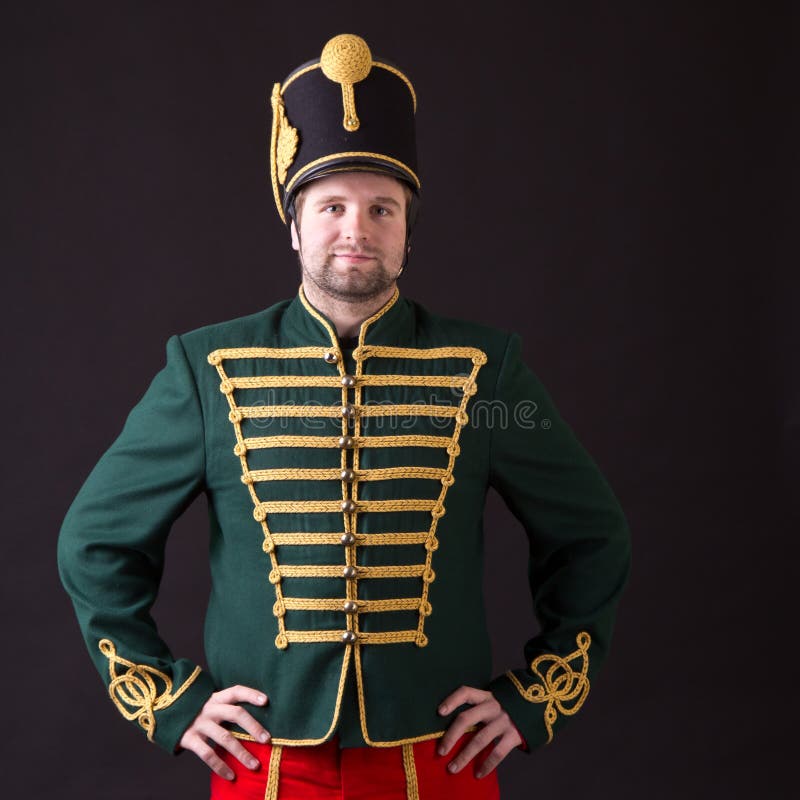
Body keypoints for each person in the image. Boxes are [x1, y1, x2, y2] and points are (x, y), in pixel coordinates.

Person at [58, 33, 631, 799]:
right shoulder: (206, 367)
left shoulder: (485, 368)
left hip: (439, 762)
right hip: (264, 765)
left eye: (381, 208)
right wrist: (169, 703)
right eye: (331, 206)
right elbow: (92, 543)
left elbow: (593, 535)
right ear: (294, 223)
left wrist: (536, 698)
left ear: (406, 230)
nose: (355, 229)